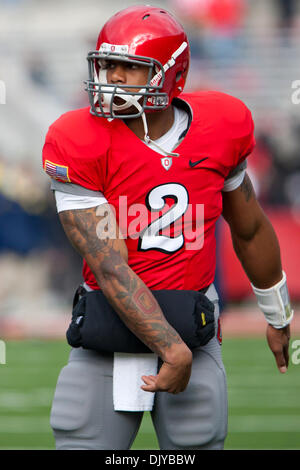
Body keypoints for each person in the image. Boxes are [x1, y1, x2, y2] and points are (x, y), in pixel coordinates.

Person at [42, 5, 293, 450]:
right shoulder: (78, 137)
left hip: (193, 329)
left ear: (171, 74)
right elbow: (110, 266)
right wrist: (170, 348)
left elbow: (250, 227)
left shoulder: (220, 126)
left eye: (130, 67)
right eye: (107, 64)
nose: (113, 77)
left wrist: (276, 314)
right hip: (107, 332)